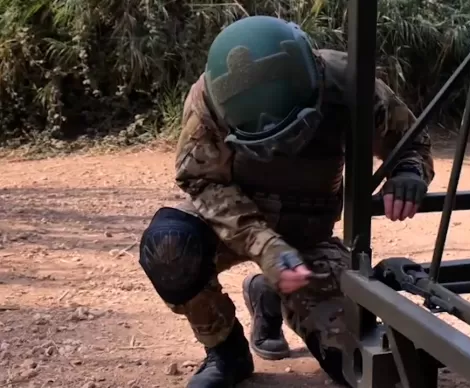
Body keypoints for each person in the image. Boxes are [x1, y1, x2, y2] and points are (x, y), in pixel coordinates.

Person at [137, 15, 435, 388]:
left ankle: (268, 293)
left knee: (357, 365)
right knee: (170, 247)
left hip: (307, 231)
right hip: (231, 224)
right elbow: (200, 179)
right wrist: (266, 247)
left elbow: (411, 141)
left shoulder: (351, 84)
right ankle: (227, 354)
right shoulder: (210, 101)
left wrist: (408, 172)